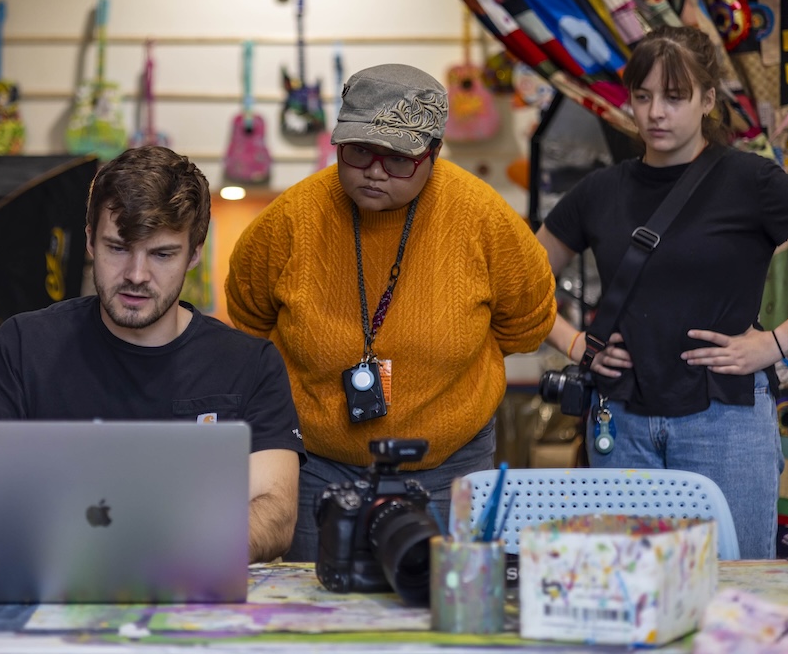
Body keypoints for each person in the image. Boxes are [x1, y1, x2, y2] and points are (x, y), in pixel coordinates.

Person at [535, 25, 788, 559]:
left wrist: (775, 343)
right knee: (631, 587)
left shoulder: (751, 180)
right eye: (643, 96)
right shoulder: (599, 192)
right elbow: (516, 281)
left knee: (736, 586)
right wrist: (574, 344)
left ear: (707, 99)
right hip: (621, 419)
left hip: (726, 421)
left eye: (675, 97)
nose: (656, 112)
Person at [226, 63, 557, 561]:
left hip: (450, 467)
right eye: (359, 152)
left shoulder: (487, 222)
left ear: (433, 153)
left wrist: (434, 366)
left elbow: (527, 325)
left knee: (445, 612)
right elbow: (249, 325)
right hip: (317, 466)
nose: (376, 171)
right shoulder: (288, 223)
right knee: (321, 615)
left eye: (399, 157)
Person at [0, 145, 304, 563]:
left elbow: (275, 512)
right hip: (53, 589)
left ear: (193, 254)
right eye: (118, 248)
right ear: (88, 241)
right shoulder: (25, 345)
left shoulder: (248, 364)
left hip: (194, 596)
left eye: (162, 254)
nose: (136, 275)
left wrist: (163, 555)